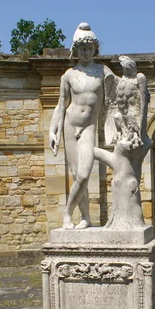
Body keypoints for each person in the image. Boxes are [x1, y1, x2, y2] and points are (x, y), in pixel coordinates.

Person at [48, 23, 115, 229]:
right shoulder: (68, 75)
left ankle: (67, 213)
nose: (86, 52)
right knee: (77, 175)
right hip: (69, 124)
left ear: (95, 49)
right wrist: (53, 130)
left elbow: (117, 97)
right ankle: (85, 217)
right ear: (75, 50)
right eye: (82, 49)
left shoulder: (104, 72)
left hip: (88, 127)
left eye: (89, 48)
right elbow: (61, 105)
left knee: (84, 175)